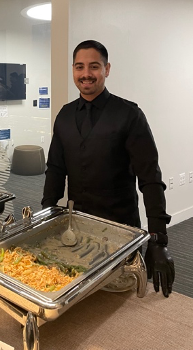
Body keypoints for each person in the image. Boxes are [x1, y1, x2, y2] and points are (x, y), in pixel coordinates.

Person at [41, 40, 175, 297]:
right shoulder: (65, 115)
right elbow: (56, 169)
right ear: (73, 70)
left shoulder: (129, 115)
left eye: (94, 66)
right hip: (76, 229)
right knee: (78, 298)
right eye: (79, 67)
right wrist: (46, 213)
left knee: (119, 305)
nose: (86, 74)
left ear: (107, 69)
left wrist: (158, 238)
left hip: (121, 231)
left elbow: (150, 179)